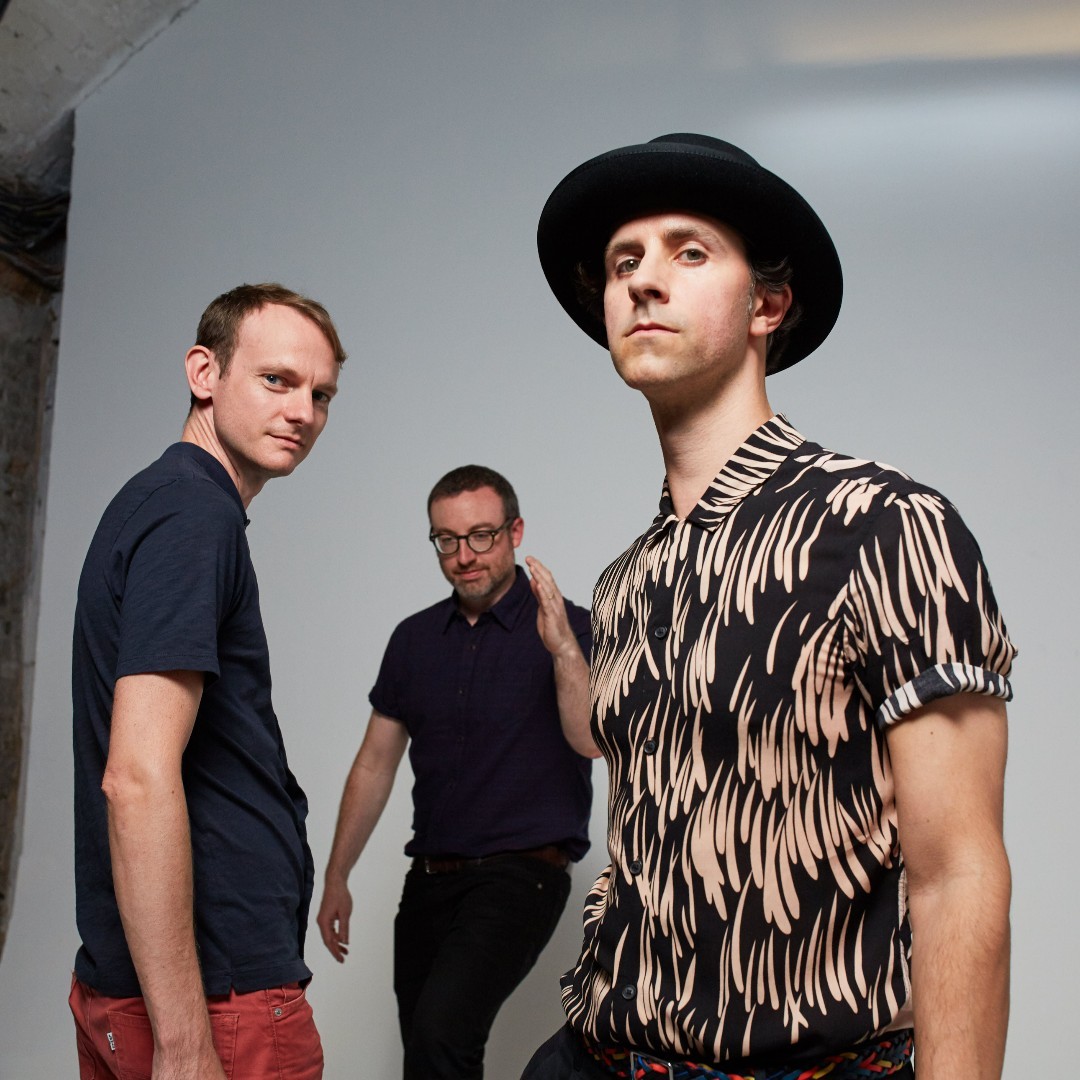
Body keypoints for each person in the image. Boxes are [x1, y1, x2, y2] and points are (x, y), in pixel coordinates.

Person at [523, 134, 1017, 1080]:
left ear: (768, 305)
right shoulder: (625, 582)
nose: (643, 280)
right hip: (599, 1053)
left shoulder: (885, 525)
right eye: (624, 262)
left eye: (689, 252)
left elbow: (959, 877)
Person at [69, 283, 346, 1080]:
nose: (302, 412)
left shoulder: (165, 502)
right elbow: (136, 776)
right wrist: (186, 1042)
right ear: (204, 372)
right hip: (217, 1003)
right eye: (277, 380)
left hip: (163, 989)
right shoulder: (195, 515)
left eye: (321, 395)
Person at [317, 463, 599, 1080]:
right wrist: (337, 874)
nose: (464, 556)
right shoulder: (413, 640)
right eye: (447, 540)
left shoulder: (568, 626)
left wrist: (562, 649)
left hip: (520, 876)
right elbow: (374, 763)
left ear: (514, 532)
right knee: (426, 1057)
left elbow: (591, 739)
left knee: (441, 1038)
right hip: (429, 880)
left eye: (481, 536)